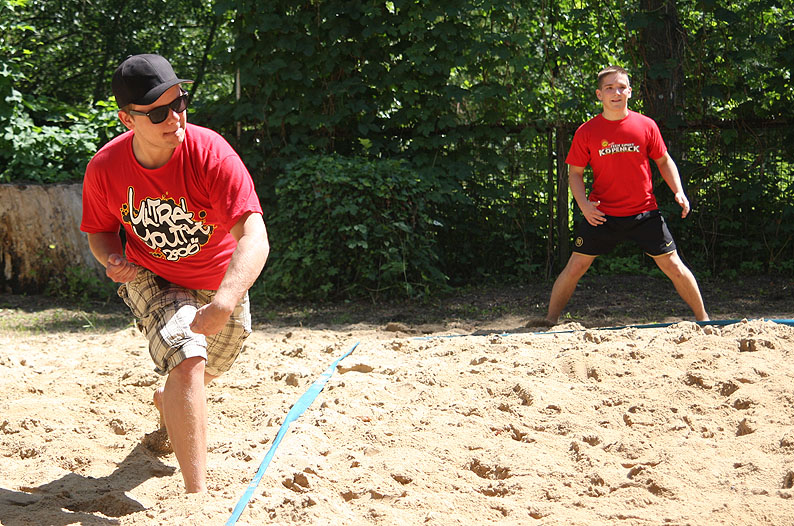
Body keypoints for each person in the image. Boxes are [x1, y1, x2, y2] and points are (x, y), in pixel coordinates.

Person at [80, 54, 269, 493]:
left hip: (219, 279)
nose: (174, 118)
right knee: (188, 357)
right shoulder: (105, 168)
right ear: (127, 119)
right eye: (157, 112)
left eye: (179, 103)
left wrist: (225, 300)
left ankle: (169, 403)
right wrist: (112, 259)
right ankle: (195, 498)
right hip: (151, 275)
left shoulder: (211, 152)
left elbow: (254, 236)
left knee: (210, 365)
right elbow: (100, 232)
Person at [536, 65, 708, 326]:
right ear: (599, 94)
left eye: (621, 87)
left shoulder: (646, 125)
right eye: (609, 88)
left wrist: (679, 191)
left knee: (674, 265)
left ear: (630, 91)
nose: (616, 92)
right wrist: (584, 206)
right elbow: (575, 174)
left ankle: (704, 320)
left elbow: (664, 161)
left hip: (644, 212)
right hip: (601, 215)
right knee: (575, 266)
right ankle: (549, 320)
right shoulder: (586, 131)